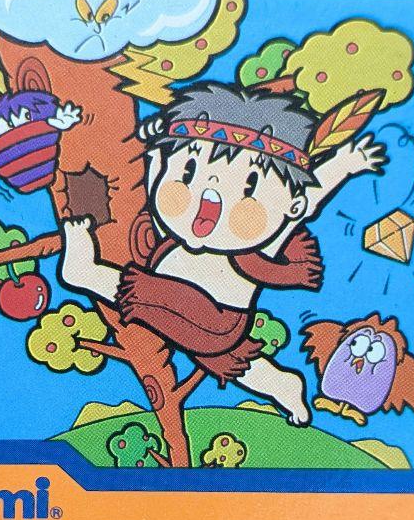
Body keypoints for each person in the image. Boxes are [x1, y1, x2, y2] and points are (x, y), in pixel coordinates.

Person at [59, 83, 385, 425]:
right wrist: (155, 148)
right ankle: (285, 387)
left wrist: (344, 164)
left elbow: (311, 198)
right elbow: (157, 180)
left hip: (215, 319)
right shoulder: (173, 229)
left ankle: (85, 273)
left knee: (145, 294)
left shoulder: (263, 246)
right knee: (236, 364)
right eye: (189, 173)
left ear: (292, 205)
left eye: (248, 187)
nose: (208, 193)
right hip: (189, 313)